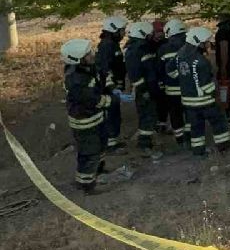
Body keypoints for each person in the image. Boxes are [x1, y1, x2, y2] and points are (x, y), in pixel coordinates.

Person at [62, 38, 111, 193]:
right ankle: (86, 184)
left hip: (95, 118)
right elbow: (90, 99)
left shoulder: (86, 68)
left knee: (101, 145)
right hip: (85, 121)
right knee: (89, 152)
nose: (92, 54)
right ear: (78, 59)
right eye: (88, 54)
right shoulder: (76, 79)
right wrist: (109, 100)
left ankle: (98, 170)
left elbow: (100, 79)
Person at [177, 27, 230, 157]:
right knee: (219, 122)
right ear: (198, 42)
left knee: (196, 128)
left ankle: (198, 152)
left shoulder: (179, 55)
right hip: (205, 102)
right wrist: (218, 96)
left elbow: (172, 72)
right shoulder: (201, 61)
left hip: (189, 103)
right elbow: (207, 86)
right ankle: (223, 149)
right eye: (206, 42)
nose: (208, 44)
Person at [123, 22, 161, 158]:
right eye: (150, 34)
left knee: (150, 115)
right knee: (147, 115)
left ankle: (147, 141)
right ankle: (144, 144)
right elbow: (135, 74)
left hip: (150, 87)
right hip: (144, 89)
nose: (152, 36)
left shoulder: (143, 47)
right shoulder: (135, 50)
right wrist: (143, 90)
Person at [96, 16, 127, 152]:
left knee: (114, 113)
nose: (123, 33)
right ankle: (110, 144)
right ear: (114, 30)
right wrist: (112, 87)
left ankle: (112, 141)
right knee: (110, 114)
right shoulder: (107, 46)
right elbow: (105, 69)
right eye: (122, 30)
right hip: (108, 89)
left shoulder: (112, 44)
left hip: (113, 86)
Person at [158, 18, 190, 146]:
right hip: (188, 88)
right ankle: (190, 136)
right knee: (189, 112)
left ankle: (180, 138)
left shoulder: (163, 49)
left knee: (175, 114)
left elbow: (159, 70)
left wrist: (161, 85)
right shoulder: (189, 46)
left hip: (171, 90)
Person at [150, 20, 170, 135]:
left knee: (165, 101)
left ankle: (163, 124)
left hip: (165, 76)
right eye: (158, 32)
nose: (160, 34)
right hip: (153, 77)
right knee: (154, 102)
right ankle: (157, 124)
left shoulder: (167, 43)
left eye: (162, 31)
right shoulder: (148, 45)